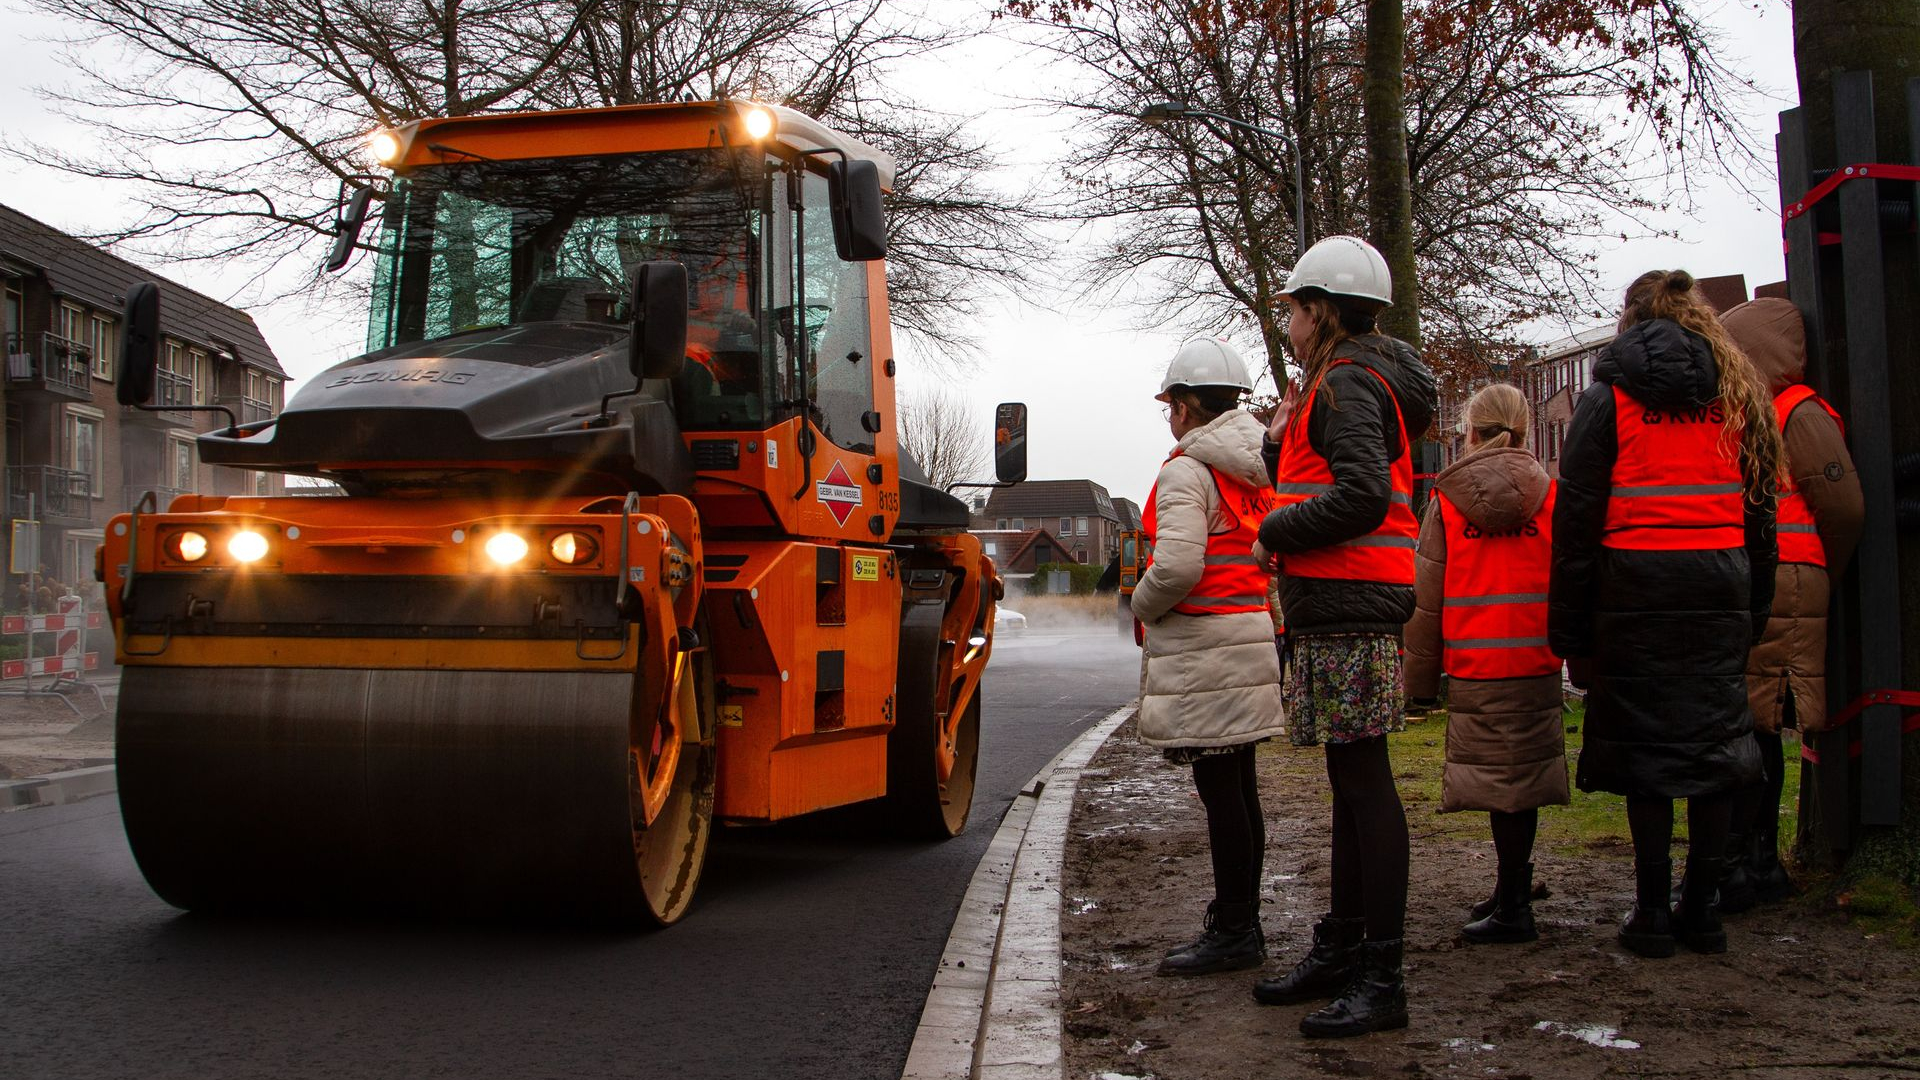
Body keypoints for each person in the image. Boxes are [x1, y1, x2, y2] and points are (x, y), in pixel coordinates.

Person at [1548, 270, 1781, 958]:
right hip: (1718, 586)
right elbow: (1761, 515)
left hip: (1632, 590)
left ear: (1629, 320)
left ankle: (1651, 911)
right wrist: (1754, 612)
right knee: (1715, 747)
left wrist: (1571, 634)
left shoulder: (1607, 399)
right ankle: (1702, 908)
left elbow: (1576, 524)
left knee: (1645, 750)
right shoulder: (1737, 396)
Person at [1249, 235, 1436, 1038]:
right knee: (1351, 780)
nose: (1287, 323)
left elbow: (1360, 494)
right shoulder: (1344, 380)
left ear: (1321, 310)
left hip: (1349, 598)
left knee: (1364, 783)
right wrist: (1276, 444)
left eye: (1293, 309)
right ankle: (1346, 946)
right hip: (1344, 600)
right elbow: (1324, 478)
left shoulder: (1348, 381)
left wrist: (1274, 533)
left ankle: (1381, 976)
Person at [1131, 338, 1287, 978]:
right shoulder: (1256, 472)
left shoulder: (1187, 471)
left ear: (1187, 406)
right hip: (1248, 638)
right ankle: (1242, 921)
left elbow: (1177, 568)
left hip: (1205, 649)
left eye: (1170, 405)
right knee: (1241, 789)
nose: (1169, 417)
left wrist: (1141, 605)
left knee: (1221, 794)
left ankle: (1234, 930)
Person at [1404, 383, 1567, 944]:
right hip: (1538, 660)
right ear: (1525, 430)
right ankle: (1512, 888)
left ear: (1470, 434)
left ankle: (1514, 905)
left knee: (1501, 785)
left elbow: (1427, 598)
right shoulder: (1553, 496)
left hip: (1477, 662)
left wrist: (1419, 683)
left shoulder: (1448, 501)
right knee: (1522, 781)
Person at [1719, 297, 1862, 909]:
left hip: (1781, 580)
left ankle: (1750, 864)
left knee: (1757, 723)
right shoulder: (1773, 413)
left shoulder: (1793, 413)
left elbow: (1844, 507)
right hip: (1778, 578)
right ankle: (1754, 860)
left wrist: (1816, 569)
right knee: (1756, 724)